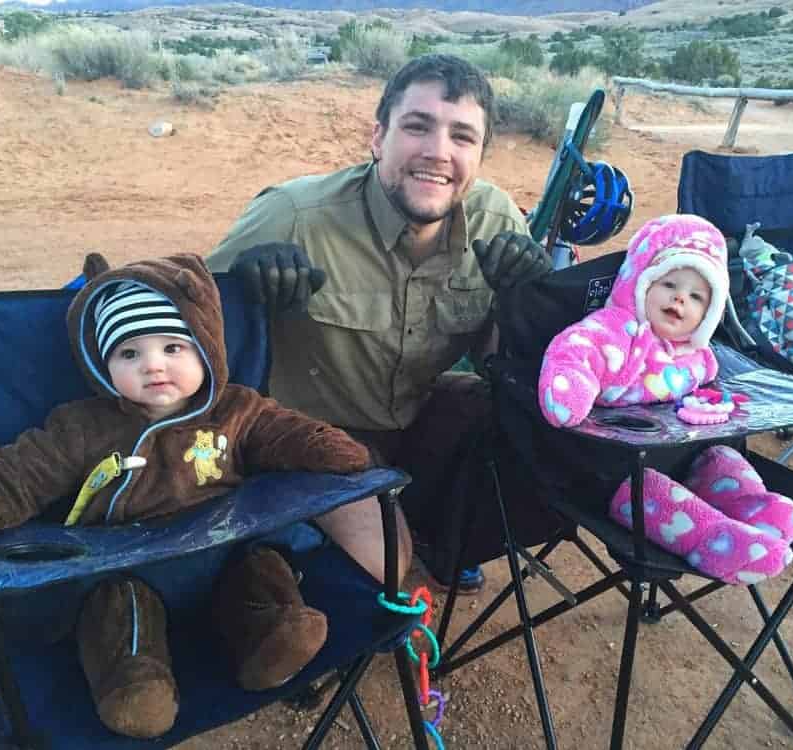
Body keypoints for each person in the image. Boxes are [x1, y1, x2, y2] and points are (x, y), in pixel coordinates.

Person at [0, 253, 373, 739]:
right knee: (117, 617)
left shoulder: (237, 410)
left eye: (173, 347)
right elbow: (25, 469)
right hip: (124, 571)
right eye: (129, 354)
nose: (153, 366)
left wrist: (330, 448)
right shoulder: (84, 425)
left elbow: (286, 434)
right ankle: (134, 688)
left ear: (208, 349)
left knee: (260, 573)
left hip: (225, 554)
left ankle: (269, 641)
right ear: (101, 364)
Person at [207, 54, 554, 593]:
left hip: (414, 415)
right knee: (387, 565)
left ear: (479, 156)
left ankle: (448, 535)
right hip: (308, 436)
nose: (438, 151)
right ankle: (276, 562)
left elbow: (500, 361)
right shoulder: (295, 216)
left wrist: (523, 306)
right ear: (378, 137)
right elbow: (177, 325)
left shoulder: (496, 218)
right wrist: (240, 289)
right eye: (418, 126)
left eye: (462, 136)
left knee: (533, 435)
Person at [538, 214, 793, 584]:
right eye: (670, 284)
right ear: (641, 284)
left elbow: (712, 391)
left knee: (723, 456)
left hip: (681, 452)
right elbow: (574, 351)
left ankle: (746, 509)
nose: (680, 298)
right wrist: (571, 388)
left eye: (696, 296)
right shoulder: (615, 333)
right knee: (652, 492)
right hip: (617, 471)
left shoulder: (698, 355)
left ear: (708, 315)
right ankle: (713, 540)